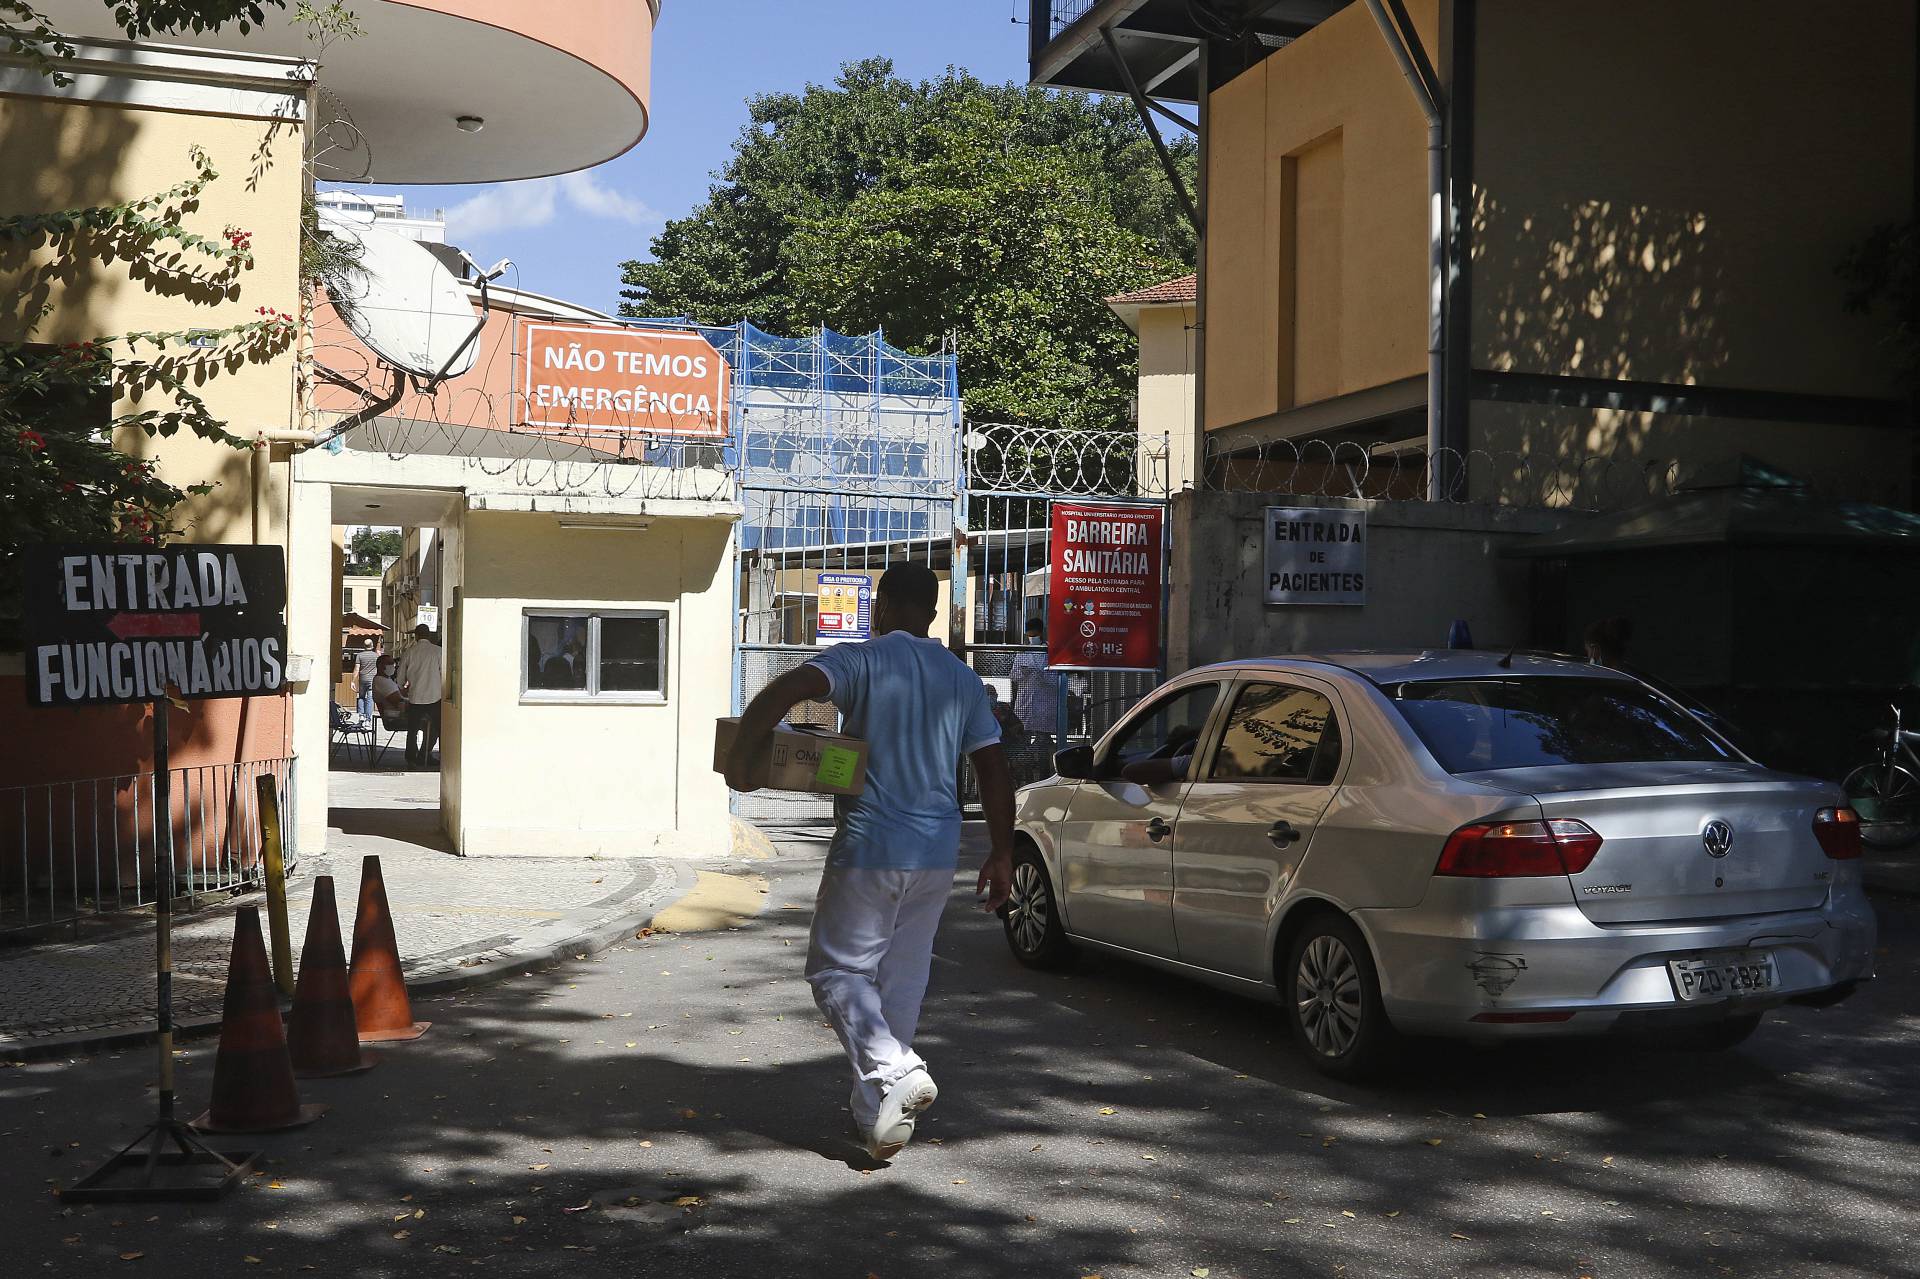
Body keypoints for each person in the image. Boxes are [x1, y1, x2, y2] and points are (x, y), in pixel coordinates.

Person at [724, 563, 1016, 1164]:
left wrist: (743, 761)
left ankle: (896, 1068)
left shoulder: (861, 660)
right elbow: (992, 766)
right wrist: (1003, 852)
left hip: (871, 845)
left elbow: (783, 690)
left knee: (836, 973)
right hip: (937, 852)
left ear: (879, 608)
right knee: (899, 987)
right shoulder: (961, 679)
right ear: (932, 614)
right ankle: (879, 1118)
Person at [394, 624, 444, 768]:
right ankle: (429, 754)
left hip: (415, 698)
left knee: (413, 730)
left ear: (416, 636)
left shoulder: (410, 652)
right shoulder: (438, 651)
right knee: (438, 729)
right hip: (435, 697)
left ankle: (411, 759)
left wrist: (404, 688)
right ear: (429, 635)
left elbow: (400, 677)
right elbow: (443, 674)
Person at [1009, 617, 1058, 749]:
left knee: (1043, 741)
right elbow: (1013, 675)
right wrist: (1024, 673)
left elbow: (1056, 681)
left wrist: (1041, 675)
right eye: (1029, 635)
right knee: (1023, 738)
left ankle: (1043, 767)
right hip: (1025, 701)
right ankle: (1027, 767)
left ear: (1041, 633)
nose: (1031, 637)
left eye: (1034, 634)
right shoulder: (1023, 651)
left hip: (1044, 703)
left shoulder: (1049, 651)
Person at [370, 654, 407, 724]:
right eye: (389, 664)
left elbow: (401, 693)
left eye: (393, 664)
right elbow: (398, 701)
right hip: (394, 718)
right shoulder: (381, 681)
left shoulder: (387, 679)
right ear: (380, 666)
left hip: (398, 715)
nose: (393, 666)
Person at [354, 637, 382, 721]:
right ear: (372, 646)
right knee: (370, 698)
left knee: (361, 696)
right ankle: (368, 719)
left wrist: (353, 680)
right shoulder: (376, 656)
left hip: (362, 679)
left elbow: (357, 668)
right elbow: (380, 666)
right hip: (372, 680)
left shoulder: (359, 655)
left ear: (364, 646)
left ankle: (361, 715)